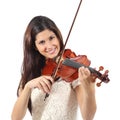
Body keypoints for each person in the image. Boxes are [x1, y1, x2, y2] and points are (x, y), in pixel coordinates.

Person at [11, 15, 97, 120]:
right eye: (42, 42)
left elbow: (88, 117)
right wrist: (28, 86)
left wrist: (89, 90)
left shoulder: (72, 72)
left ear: (57, 36)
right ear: (35, 46)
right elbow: (16, 118)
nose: (50, 46)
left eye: (51, 38)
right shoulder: (32, 72)